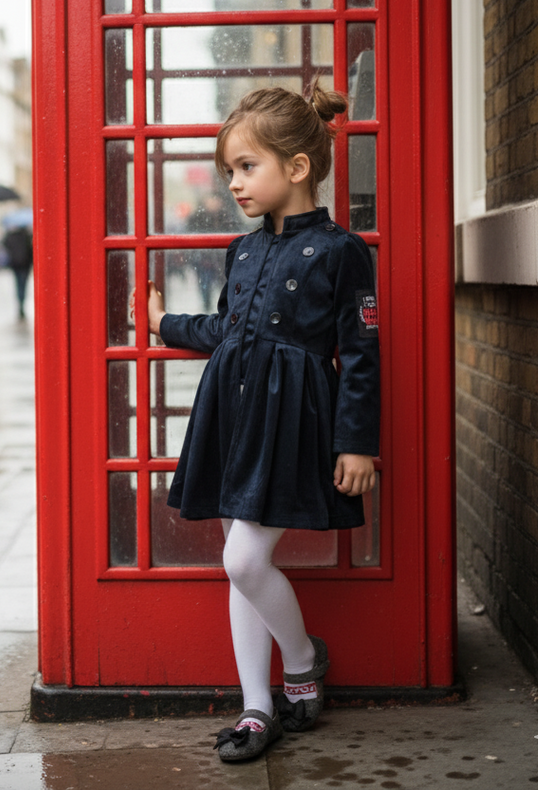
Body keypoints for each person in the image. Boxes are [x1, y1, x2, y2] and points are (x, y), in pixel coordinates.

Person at [143, 82, 380, 763]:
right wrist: (164, 323)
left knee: (244, 559)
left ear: (297, 167)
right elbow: (227, 328)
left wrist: (357, 443)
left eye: (247, 167)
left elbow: (361, 353)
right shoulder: (242, 251)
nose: (235, 183)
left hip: (295, 422)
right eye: (229, 171)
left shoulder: (341, 250)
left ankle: (301, 661)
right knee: (241, 568)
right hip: (235, 414)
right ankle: (256, 707)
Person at [2, 225, 33, 319]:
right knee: (23, 285)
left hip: (15, 265)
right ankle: (22, 303)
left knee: (18, 284)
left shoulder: (11, 236)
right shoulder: (27, 236)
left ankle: (19, 304)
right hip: (25, 265)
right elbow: (31, 250)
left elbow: (5, 245)